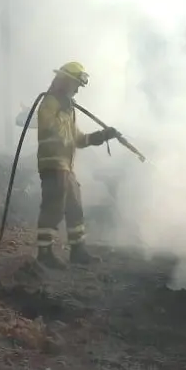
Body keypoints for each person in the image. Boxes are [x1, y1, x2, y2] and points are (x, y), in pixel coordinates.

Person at [34, 62, 120, 269]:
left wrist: (102, 136)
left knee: (75, 208)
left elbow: (78, 139)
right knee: (53, 207)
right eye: (76, 85)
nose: (78, 89)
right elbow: (47, 126)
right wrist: (63, 109)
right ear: (67, 81)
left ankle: (78, 250)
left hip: (66, 166)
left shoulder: (67, 107)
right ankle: (44, 253)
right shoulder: (50, 101)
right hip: (52, 163)